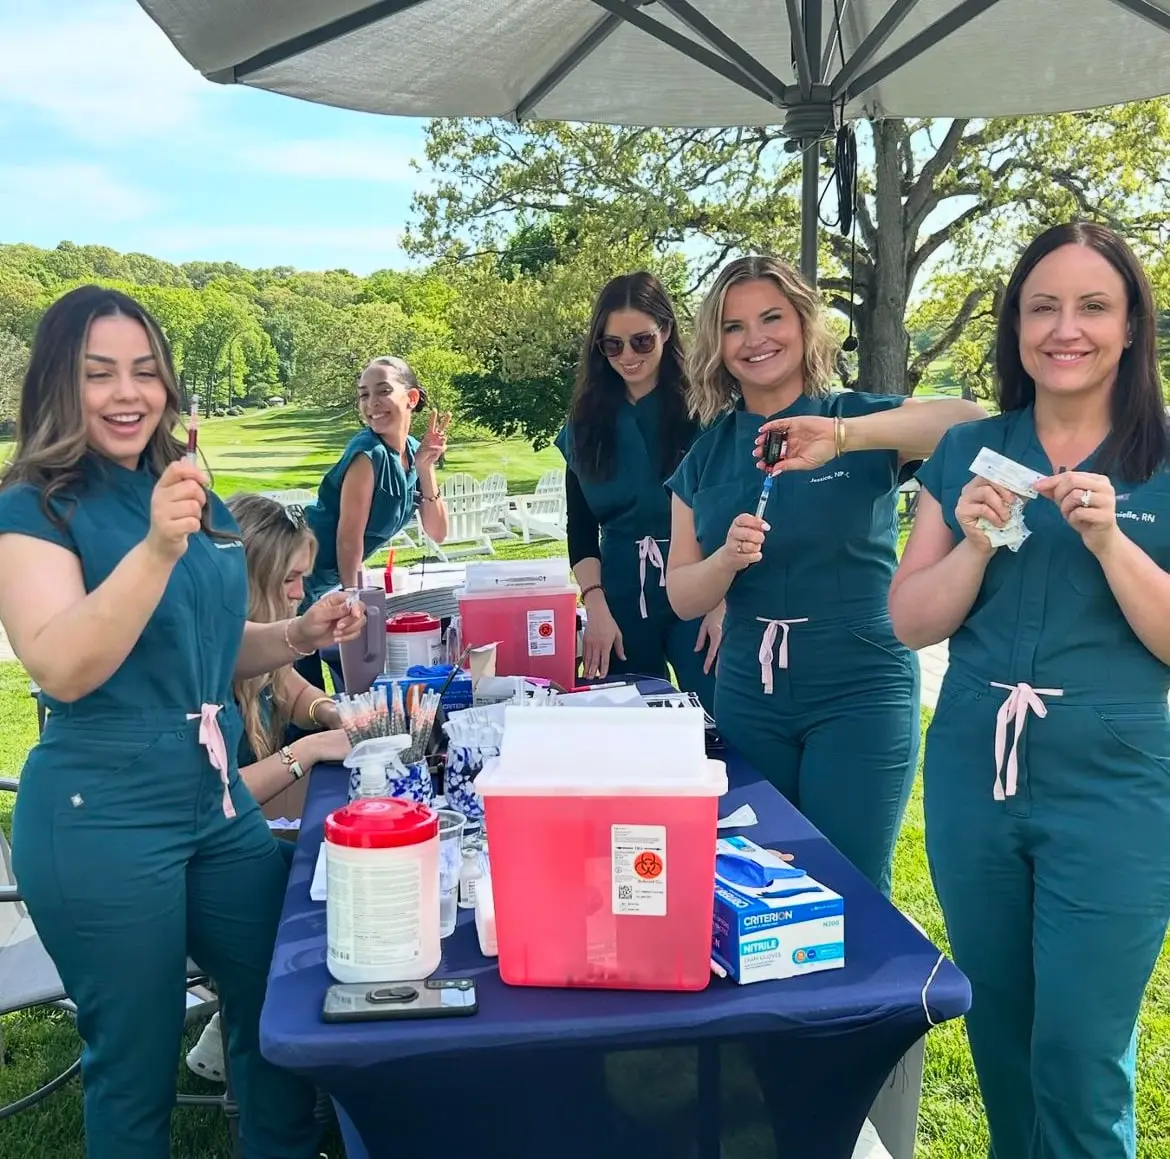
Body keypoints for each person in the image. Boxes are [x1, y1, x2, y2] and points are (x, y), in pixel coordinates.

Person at [0, 285, 364, 1159]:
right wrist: (159, 548)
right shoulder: (33, 506)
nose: (128, 393)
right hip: (103, 811)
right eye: (100, 374)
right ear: (59, 384)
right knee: (133, 1070)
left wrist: (293, 633)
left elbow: (199, 643)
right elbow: (62, 661)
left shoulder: (179, 491)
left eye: (145, 372)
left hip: (212, 800)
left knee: (282, 998)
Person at [889, 222, 1170, 1159]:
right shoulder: (971, 449)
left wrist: (1109, 541)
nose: (1066, 328)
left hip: (1116, 782)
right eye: (1043, 306)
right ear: (1016, 326)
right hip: (978, 767)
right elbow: (912, 620)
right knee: (1002, 1039)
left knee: (1082, 1057)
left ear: (1131, 327)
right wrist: (970, 542)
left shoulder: (1162, 456)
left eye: (1094, 306)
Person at [664, 254, 983, 894]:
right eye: (733, 326)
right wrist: (725, 559)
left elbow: (972, 423)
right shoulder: (707, 454)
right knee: (760, 879)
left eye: (772, 318)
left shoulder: (860, 418)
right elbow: (680, 594)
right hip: (751, 689)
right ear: (716, 346)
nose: (755, 339)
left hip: (860, 682)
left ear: (805, 326)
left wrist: (842, 435)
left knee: (853, 882)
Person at [186, 491, 353, 1086]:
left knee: (331, 865)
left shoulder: (262, 649)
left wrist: (330, 711)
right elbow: (220, 794)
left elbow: (286, 689)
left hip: (233, 836)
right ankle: (263, 1027)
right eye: (289, 580)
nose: (299, 596)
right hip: (200, 856)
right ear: (251, 575)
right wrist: (303, 752)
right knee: (321, 884)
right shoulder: (205, 656)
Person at [555, 272, 719, 706]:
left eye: (641, 341)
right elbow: (581, 529)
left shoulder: (706, 411)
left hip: (701, 585)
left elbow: (733, 512)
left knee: (720, 723)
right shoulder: (584, 427)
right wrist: (596, 609)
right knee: (628, 725)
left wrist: (724, 605)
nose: (627, 356)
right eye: (612, 345)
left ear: (665, 330)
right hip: (621, 596)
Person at [302, 355, 450, 603]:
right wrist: (353, 601)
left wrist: (425, 468)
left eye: (383, 391)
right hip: (288, 574)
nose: (372, 403)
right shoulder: (369, 454)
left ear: (411, 398)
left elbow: (438, 533)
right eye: (363, 395)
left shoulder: (414, 451)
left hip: (317, 584)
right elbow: (349, 539)